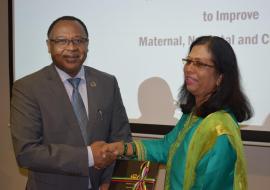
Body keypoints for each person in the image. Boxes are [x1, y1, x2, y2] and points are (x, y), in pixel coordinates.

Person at [105, 36, 253, 190]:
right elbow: (168, 147)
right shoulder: (194, 114)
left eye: (200, 64)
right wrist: (123, 148)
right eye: (188, 61)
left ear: (220, 77)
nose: (189, 69)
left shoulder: (219, 131)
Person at [10, 16, 132, 190]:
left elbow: (122, 138)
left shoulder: (107, 83)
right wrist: (89, 156)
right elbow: (27, 153)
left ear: (87, 44)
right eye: (62, 41)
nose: (72, 47)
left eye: (79, 40)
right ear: (48, 45)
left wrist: (109, 182)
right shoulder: (27, 88)